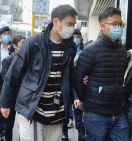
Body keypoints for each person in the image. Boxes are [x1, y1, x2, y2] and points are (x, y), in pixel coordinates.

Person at [0, 4, 78, 141]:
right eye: (69, 24)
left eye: (74, 24)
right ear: (55, 21)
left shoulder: (70, 47)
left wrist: (76, 97)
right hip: (32, 109)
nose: (72, 28)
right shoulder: (33, 43)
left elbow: (70, 76)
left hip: (57, 113)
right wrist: (5, 103)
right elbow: (13, 73)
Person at [73, 7, 128, 141]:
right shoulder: (90, 51)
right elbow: (78, 79)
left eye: (120, 24)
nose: (118, 27)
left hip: (118, 111)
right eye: (114, 24)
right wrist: (86, 99)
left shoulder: (122, 50)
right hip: (96, 114)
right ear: (102, 25)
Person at [62, 29, 85, 141]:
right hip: (66, 83)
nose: (76, 39)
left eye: (78, 37)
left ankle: (81, 131)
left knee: (78, 108)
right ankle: (64, 131)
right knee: (65, 108)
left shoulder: (84, 51)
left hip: (78, 83)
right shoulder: (66, 50)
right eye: (74, 36)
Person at [0, 35, 25, 141]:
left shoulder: (28, 60)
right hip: (12, 98)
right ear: (15, 46)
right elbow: (7, 80)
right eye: (22, 44)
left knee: (24, 127)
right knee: (9, 125)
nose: (24, 47)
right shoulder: (7, 60)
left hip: (24, 98)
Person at [0, 26, 12, 141]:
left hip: (9, 82)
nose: (7, 35)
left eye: (8, 33)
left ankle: (5, 131)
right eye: (4, 34)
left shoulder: (11, 50)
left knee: (6, 105)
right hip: (0, 80)